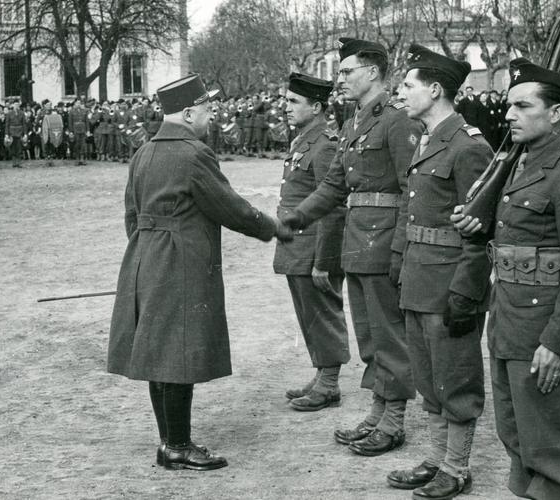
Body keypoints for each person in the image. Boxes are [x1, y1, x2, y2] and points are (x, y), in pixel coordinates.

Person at [107, 73, 293, 471]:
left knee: (159, 352)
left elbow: (130, 213)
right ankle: (177, 446)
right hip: (181, 263)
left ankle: (168, 442)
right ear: (189, 113)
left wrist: (147, 250)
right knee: (177, 351)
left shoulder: (143, 152)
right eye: (208, 110)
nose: (213, 117)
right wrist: (271, 227)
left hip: (145, 257)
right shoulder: (194, 154)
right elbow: (228, 206)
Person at [451, 58, 560, 500]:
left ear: (555, 114)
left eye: (522, 106)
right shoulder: (516, 165)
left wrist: (557, 343)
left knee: (553, 450)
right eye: (508, 105)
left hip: (547, 333)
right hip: (510, 325)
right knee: (518, 442)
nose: (509, 114)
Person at [280, 38, 421, 457]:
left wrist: (400, 250)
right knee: (370, 336)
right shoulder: (355, 121)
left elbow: (411, 188)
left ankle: (393, 419)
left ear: (373, 72)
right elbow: (333, 186)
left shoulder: (396, 119)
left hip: (382, 243)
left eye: (346, 71)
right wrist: (296, 217)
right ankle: (377, 411)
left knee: (389, 335)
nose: (339, 79)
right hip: (358, 242)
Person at [385, 44, 493, 500]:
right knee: (428, 375)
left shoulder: (469, 145)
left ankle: (456, 466)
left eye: (408, 85)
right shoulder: (426, 139)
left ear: (434, 89)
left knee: (456, 373)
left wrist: (466, 291)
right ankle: (435, 457)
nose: (401, 93)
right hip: (419, 275)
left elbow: (480, 229)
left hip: (449, 279)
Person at [273, 73, 350, 412]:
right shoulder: (305, 138)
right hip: (297, 245)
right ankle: (322, 375)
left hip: (314, 247)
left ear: (316, 107)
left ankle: (330, 383)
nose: (285, 108)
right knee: (308, 314)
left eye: (293, 102)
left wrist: (325, 260)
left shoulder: (325, 143)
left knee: (322, 313)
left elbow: (333, 206)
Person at [5, 98, 26, 168]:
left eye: (17, 104)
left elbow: (24, 124)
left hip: (19, 132)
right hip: (12, 132)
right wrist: (7, 134)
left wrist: (25, 134)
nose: (16, 106)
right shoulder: (9, 113)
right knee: (13, 148)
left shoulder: (22, 113)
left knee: (19, 147)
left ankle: (19, 162)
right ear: (13, 105)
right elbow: (7, 124)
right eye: (15, 104)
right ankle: (14, 162)